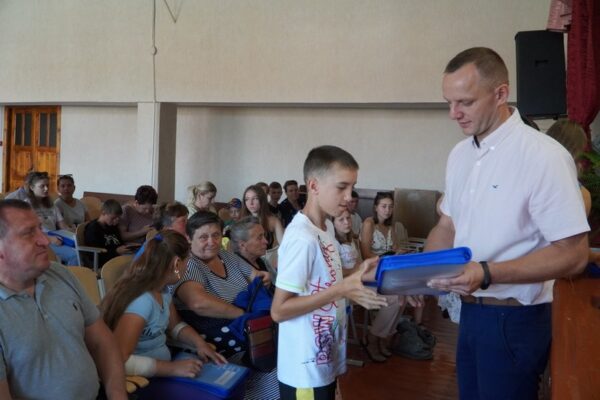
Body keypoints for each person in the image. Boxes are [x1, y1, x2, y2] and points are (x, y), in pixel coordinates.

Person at [426, 47, 589, 399]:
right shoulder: (459, 155)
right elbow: (446, 227)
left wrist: (486, 272)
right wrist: (423, 272)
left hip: (516, 318)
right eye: (449, 103)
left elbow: (573, 254)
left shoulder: (543, 156)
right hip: (469, 313)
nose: (453, 114)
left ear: (500, 94)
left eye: (465, 102)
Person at [271, 145, 387, 400]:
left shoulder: (326, 228)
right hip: (304, 370)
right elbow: (279, 310)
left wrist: (359, 272)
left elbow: (326, 276)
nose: (348, 196)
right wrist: (341, 290)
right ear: (313, 186)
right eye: (341, 187)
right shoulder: (301, 238)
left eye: (352, 187)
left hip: (324, 357)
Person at [0, 199, 127, 399]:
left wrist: (117, 394)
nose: (45, 240)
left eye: (40, 229)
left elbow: (102, 342)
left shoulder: (59, 274)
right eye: (29, 233)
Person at [171, 211, 278, 400]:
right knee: (278, 372)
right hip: (224, 341)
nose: (211, 242)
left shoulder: (226, 256)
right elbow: (198, 303)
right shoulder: (189, 264)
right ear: (188, 238)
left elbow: (256, 275)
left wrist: (264, 278)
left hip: (250, 333)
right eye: (203, 237)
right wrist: (243, 315)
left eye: (216, 235)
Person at [101, 230, 226, 379]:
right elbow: (118, 360)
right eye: (187, 262)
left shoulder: (163, 290)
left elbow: (175, 326)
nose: (187, 268)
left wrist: (200, 344)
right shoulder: (142, 302)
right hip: (140, 380)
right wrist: (172, 368)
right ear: (177, 263)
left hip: (163, 371)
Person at [24, 171, 79, 266]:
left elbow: (63, 225)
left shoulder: (51, 205)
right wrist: (49, 238)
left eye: (47, 185)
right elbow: (28, 231)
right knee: (75, 255)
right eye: (42, 186)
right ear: (32, 188)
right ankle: (67, 275)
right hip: (40, 240)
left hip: (55, 237)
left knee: (81, 251)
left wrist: (73, 231)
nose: (46, 189)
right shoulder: (26, 205)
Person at [230, 216, 277, 285]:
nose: (266, 241)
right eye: (259, 238)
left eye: (264, 236)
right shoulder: (238, 272)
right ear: (242, 245)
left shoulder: (262, 261)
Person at [84, 199, 131, 266]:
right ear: (103, 213)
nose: (116, 221)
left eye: (118, 218)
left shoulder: (112, 226)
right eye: (113, 218)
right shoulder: (93, 229)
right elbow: (94, 255)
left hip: (117, 257)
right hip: (104, 262)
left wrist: (127, 247)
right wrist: (116, 252)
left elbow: (119, 242)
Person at [241, 185, 284, 249]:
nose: (251, 203)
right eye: (247, 199)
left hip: (267, 255)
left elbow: (284, 246)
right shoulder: (241, 221)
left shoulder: (274, 221)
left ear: (262, 200)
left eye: (255, 198)